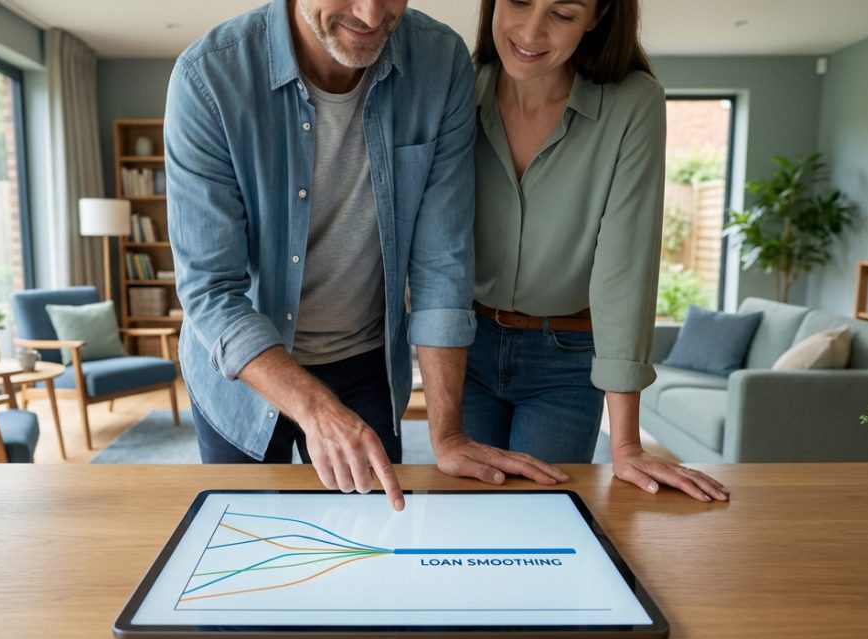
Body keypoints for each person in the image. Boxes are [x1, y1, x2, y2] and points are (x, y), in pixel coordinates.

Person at [165, 0, 567, 512]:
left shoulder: (439, 62)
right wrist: (316, 409)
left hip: (365, 360)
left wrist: (447, 435)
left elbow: (442, 262)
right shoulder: (208, 78)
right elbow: (211, 291)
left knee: (373, 545)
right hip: (243, 373)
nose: (372, 15)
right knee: (250, 542)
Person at [465, 0, 728, 502]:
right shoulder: (458, 86)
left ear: (598, 16)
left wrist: (626, 443)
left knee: (542, 526)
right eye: (518, 0)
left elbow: (623, 268)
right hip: (464, 348)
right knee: (461, 523)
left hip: (565, 361)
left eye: (562, 14)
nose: (531, 29)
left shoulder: (632, 102)